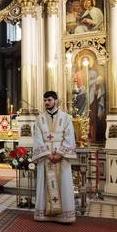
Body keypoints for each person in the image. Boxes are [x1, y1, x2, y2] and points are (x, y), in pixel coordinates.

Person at [32, 91, 77, 223]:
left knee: (63, 183)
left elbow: (69, 137)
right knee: (44, 183)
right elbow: (38, 139)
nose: (47, 103)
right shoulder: (39, 119)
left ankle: (64, 215)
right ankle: (43, 213)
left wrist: (60, 154)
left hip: (61, 158)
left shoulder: (66, 118)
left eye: (49, 100)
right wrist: (47, 154)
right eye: (45, 100)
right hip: (46, 158)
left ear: (56, 101)